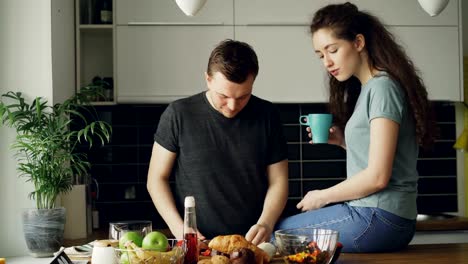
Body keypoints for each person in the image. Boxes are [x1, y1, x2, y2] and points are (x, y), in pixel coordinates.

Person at [275, 2, 436, 253]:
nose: (327, 62)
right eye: (321, 55)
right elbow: (383, 156)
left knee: (278, 235)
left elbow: (378, 177)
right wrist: (343, 141)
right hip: (385, 218)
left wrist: (322, 196)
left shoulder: (382, 88)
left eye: (333, 50)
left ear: (358, 43)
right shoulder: (371, 88)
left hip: (377, 217)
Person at [147, 39, 289, 245]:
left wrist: (266, 223)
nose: (232, 106)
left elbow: (279, 181)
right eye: (224, 96)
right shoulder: (178, 114)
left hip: (252, 242)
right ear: (208, 79)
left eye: (243, 97)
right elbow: (156, 179)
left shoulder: (268, 115)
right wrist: (180, 229)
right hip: (197, 243)